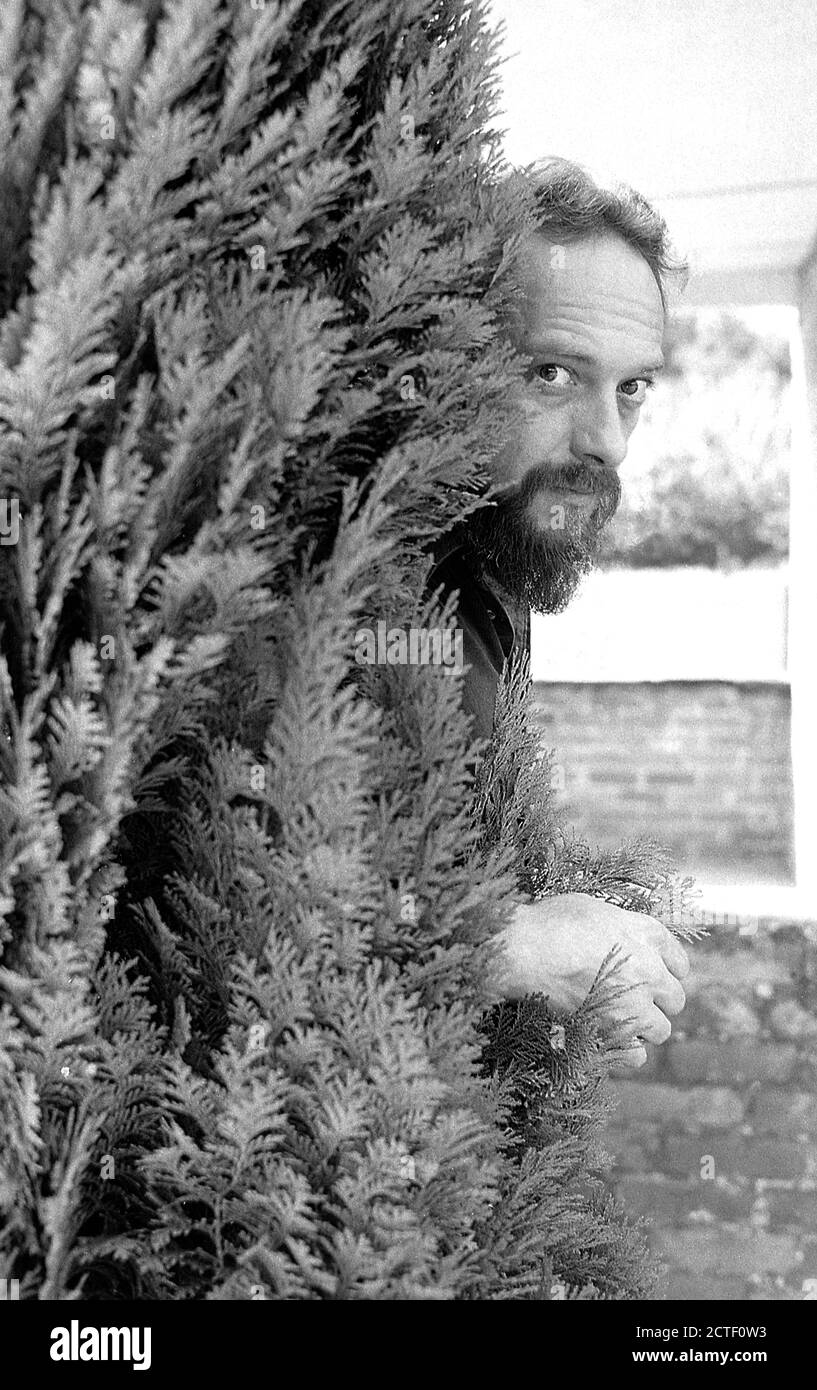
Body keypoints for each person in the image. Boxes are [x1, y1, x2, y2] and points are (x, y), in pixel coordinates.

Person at [427, 157, 691, 1068]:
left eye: (631, 388)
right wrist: (511, 944)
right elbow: (197, 895)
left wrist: (567, 954)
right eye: (550, 373)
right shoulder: (336, 573)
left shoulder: (496, 569)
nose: (606, 443)